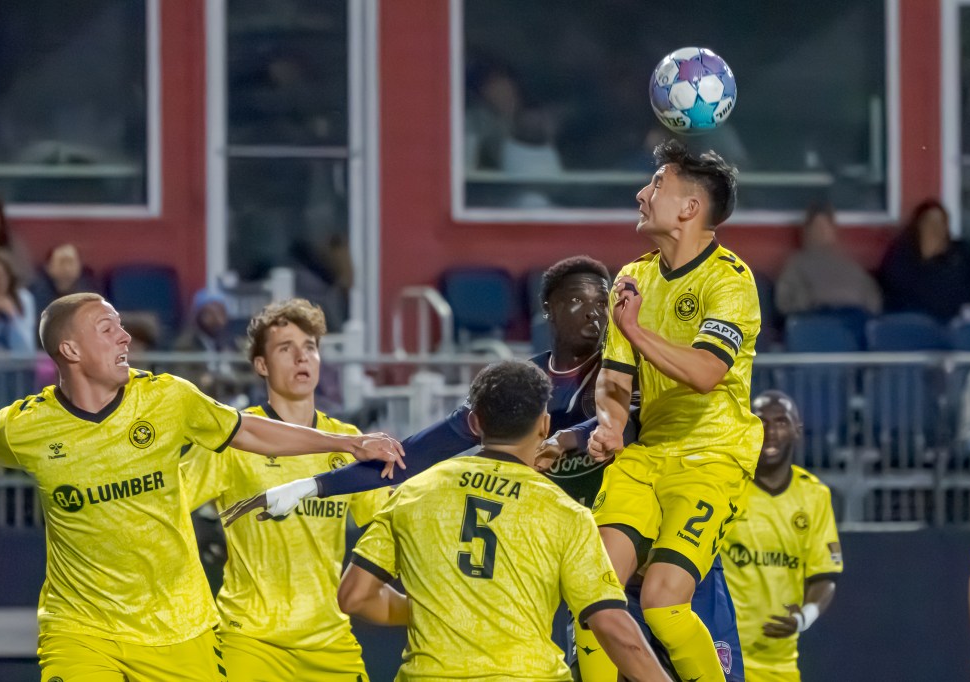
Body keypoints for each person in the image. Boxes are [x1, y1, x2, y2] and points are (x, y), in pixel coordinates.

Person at [220, 255, 746, 681]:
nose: (593, 311)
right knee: (610, 642)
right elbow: (409, 457)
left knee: (676, 632)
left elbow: (616, 427)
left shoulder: (624, 371)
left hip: (649, 545)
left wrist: (566, 439)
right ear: (548, 309)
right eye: (576, 299)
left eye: (602, 301)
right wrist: (311, 485)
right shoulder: (523, 386)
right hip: (583, 558)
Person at [0, 292, 403, 680]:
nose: (125, 336)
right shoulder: (25, 426)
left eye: (310, 347)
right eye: (107, 328)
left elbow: (247, 431)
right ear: (70, 349)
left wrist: (348, 442)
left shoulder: (169, 398)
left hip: (181, 627)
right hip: (85, 628)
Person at [336, 359, 672, 682]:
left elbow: (354, 597)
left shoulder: (414, 492)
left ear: (477, 423)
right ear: (544, 425)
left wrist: (435, 611)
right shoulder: (563, 511)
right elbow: (612, 625)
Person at [588, 139, 762, 681]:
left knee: (663, 602)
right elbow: (615, 378)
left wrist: (636, 329)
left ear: (690, 208)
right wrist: (611, 425)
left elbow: (707, 373)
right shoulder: (632, 277)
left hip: (712, 457)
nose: (642, 194)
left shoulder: (731, 281)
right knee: (591, 591)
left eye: (656, 184)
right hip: (647, 456)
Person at [180, 298, 389, 680]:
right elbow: (168, 506)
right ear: (261, 365)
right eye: (285, 349)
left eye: (309, 348)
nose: (301, 358)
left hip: (330, 639)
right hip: (252, 641)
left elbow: (388, 522)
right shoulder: (234, 439)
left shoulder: (351, 442)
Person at [721, 390, 842, 681]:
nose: (770, 431)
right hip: (722, 655)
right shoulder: (726, 485)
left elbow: (825, 576)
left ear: (797, 431)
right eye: (760, 421)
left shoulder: (814, 495)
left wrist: (803, 618)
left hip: (780, 663)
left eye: (781, 422)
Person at [877, 199, 970, 323]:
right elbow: (897, 287)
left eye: (941, 222)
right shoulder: (901, 253)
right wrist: (929, 257)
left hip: (955, 322)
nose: (935, 228)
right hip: (912, 323)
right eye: (929, 222)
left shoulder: (963, 252)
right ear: (918, 225)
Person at [774, 204, 882, 317]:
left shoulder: (852, 265)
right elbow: (784, 304)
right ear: (806, 231)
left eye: (826, 227)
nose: (821, 232)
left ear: (834, 230)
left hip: (854, 324)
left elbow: (873, 304)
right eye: (816, 227)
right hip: (814, 324)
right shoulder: (795, 264)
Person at [29, 242, 101, 314]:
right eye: (62, 262)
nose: (67, 268)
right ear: (48, 267)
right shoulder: (36, 294)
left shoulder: (90, 293)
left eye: (70, 262)